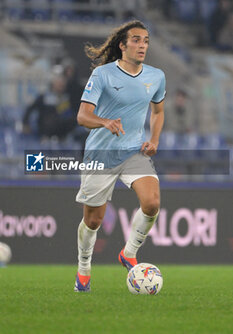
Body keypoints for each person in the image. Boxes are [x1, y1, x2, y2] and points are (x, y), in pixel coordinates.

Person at [74, 20, 166, 292]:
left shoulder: (156, 76)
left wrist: (154, 139)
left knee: (151, 203)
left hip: (132, 152)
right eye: (136, 40)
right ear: (123, 45)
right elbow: (82, 116)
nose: (142, 45)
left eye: (146, 41)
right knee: (93, 221)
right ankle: (83, 269)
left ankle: (128, 252)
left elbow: (158, 112)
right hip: (101, 153)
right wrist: (105, 122)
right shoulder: (102, 75)